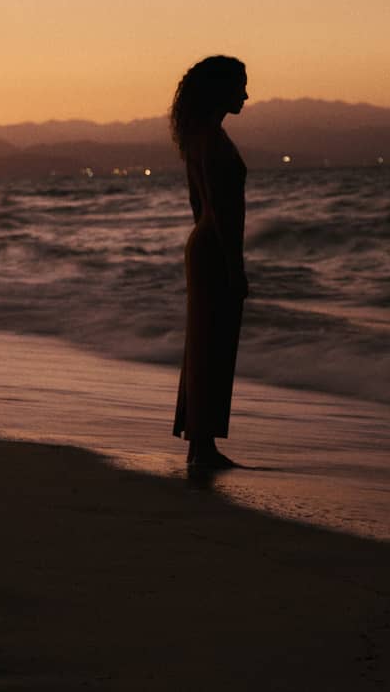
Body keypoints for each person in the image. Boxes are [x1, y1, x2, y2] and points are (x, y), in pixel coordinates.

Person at [170, 56, 249, 469]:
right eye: (240, 87)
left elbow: (197, 205)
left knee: (203, 343)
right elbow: (222, 211)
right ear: (222, 90)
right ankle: (203, 447)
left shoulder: (198, 137)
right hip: (214, 246)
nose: (246, 95)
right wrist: (235, 268)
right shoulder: (213, 141)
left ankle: (199, 444)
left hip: (200, 242)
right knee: (213, 343)